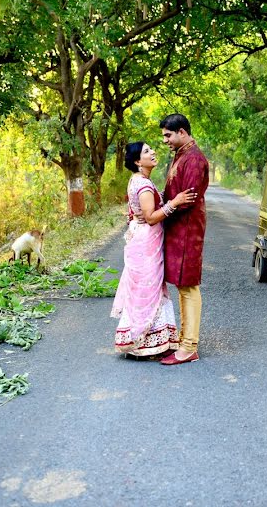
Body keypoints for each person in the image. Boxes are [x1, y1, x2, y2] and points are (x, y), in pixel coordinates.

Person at [111, 142, 196, 359]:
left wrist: (135, 215)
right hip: (146, 244)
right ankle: (144, 344)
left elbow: (136, 211)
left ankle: (146, 341)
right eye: (147, 151)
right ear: (138, 161)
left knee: (146, 289)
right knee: (148, 290)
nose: (153, 152)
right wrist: (175, 202)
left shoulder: (138, 180)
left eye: (151, 149)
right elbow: (150, 218)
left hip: (142, 240)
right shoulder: (144, 185)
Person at [158, 113, 209, 366]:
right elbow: (173, 194)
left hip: (188, 230)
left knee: (189, 286)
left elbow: (186, 199)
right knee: (182, 284)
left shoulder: (195, 159)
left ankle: (189, 346)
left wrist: (161, 211)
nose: (165, 140)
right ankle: (183, 340)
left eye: (168, 135)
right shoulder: (181, 155)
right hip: (178, 229)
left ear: (182, 132)